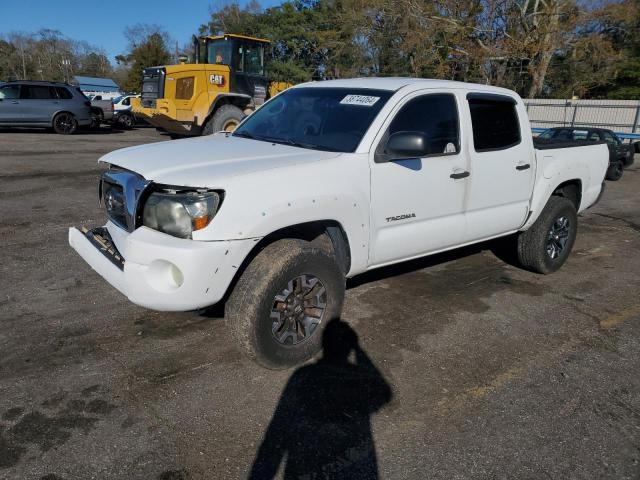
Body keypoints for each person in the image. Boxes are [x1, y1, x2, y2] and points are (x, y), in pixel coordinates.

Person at [249, 319, 393, 479]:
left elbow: (277, 430)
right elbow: (384, 393)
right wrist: (359, 351)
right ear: (349, 346)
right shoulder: (357, 376)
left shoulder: (303, 374)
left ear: (324, 344)